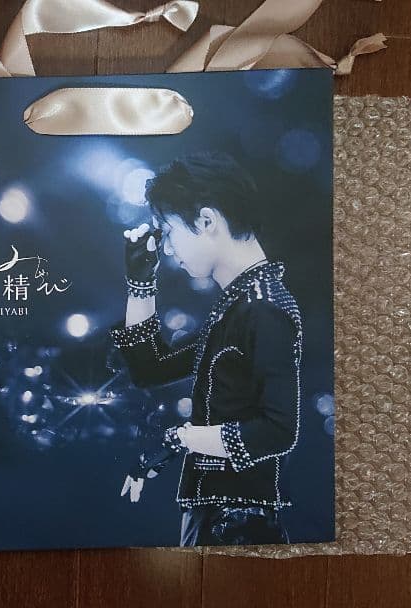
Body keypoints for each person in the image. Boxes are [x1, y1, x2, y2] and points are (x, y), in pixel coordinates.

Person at [112, 152, 303, 546]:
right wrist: (140, 284)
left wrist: (181, 438)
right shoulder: (237, 307)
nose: (166, 249)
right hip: (219, 518)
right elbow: (151, 369)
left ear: (206, 221)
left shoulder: (263, 309)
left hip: (239, 525)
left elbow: (278, 431)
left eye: (168, 232)